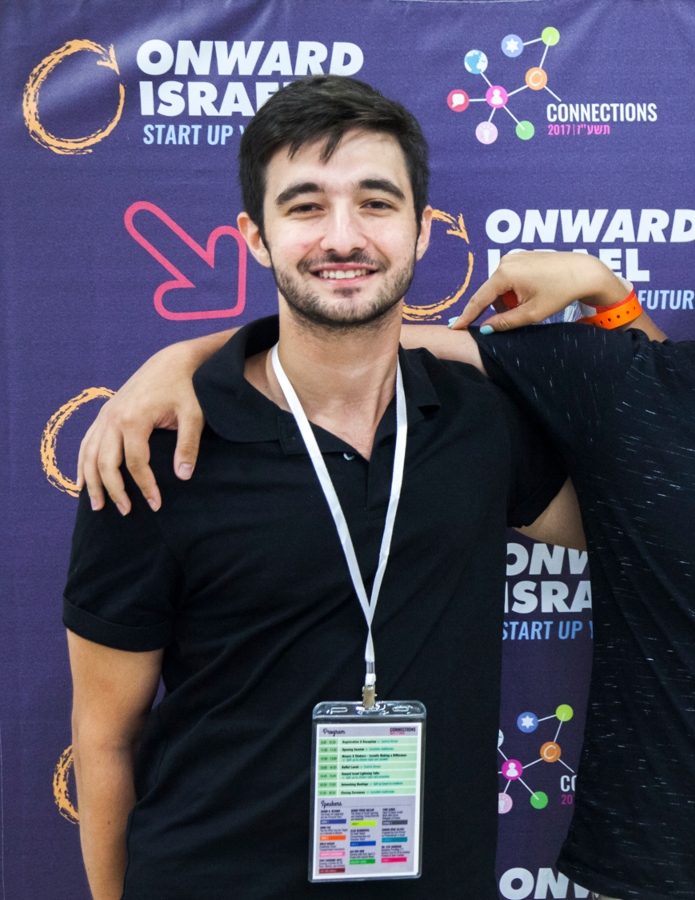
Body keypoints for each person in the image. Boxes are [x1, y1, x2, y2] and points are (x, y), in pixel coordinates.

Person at [77, 99, 695, 899]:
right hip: (636, 876)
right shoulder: (613, 383)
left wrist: (605, 289)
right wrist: (186, 358)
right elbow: (358, 328)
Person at [63, 76, 575, 899]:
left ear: (420, 230)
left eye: (376, 203)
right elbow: (103, 737)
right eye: (305, 206)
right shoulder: (156, 447)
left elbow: (675, 477)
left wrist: (614, 301)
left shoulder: (481, 422)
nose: (343, 236)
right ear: (256, 237)